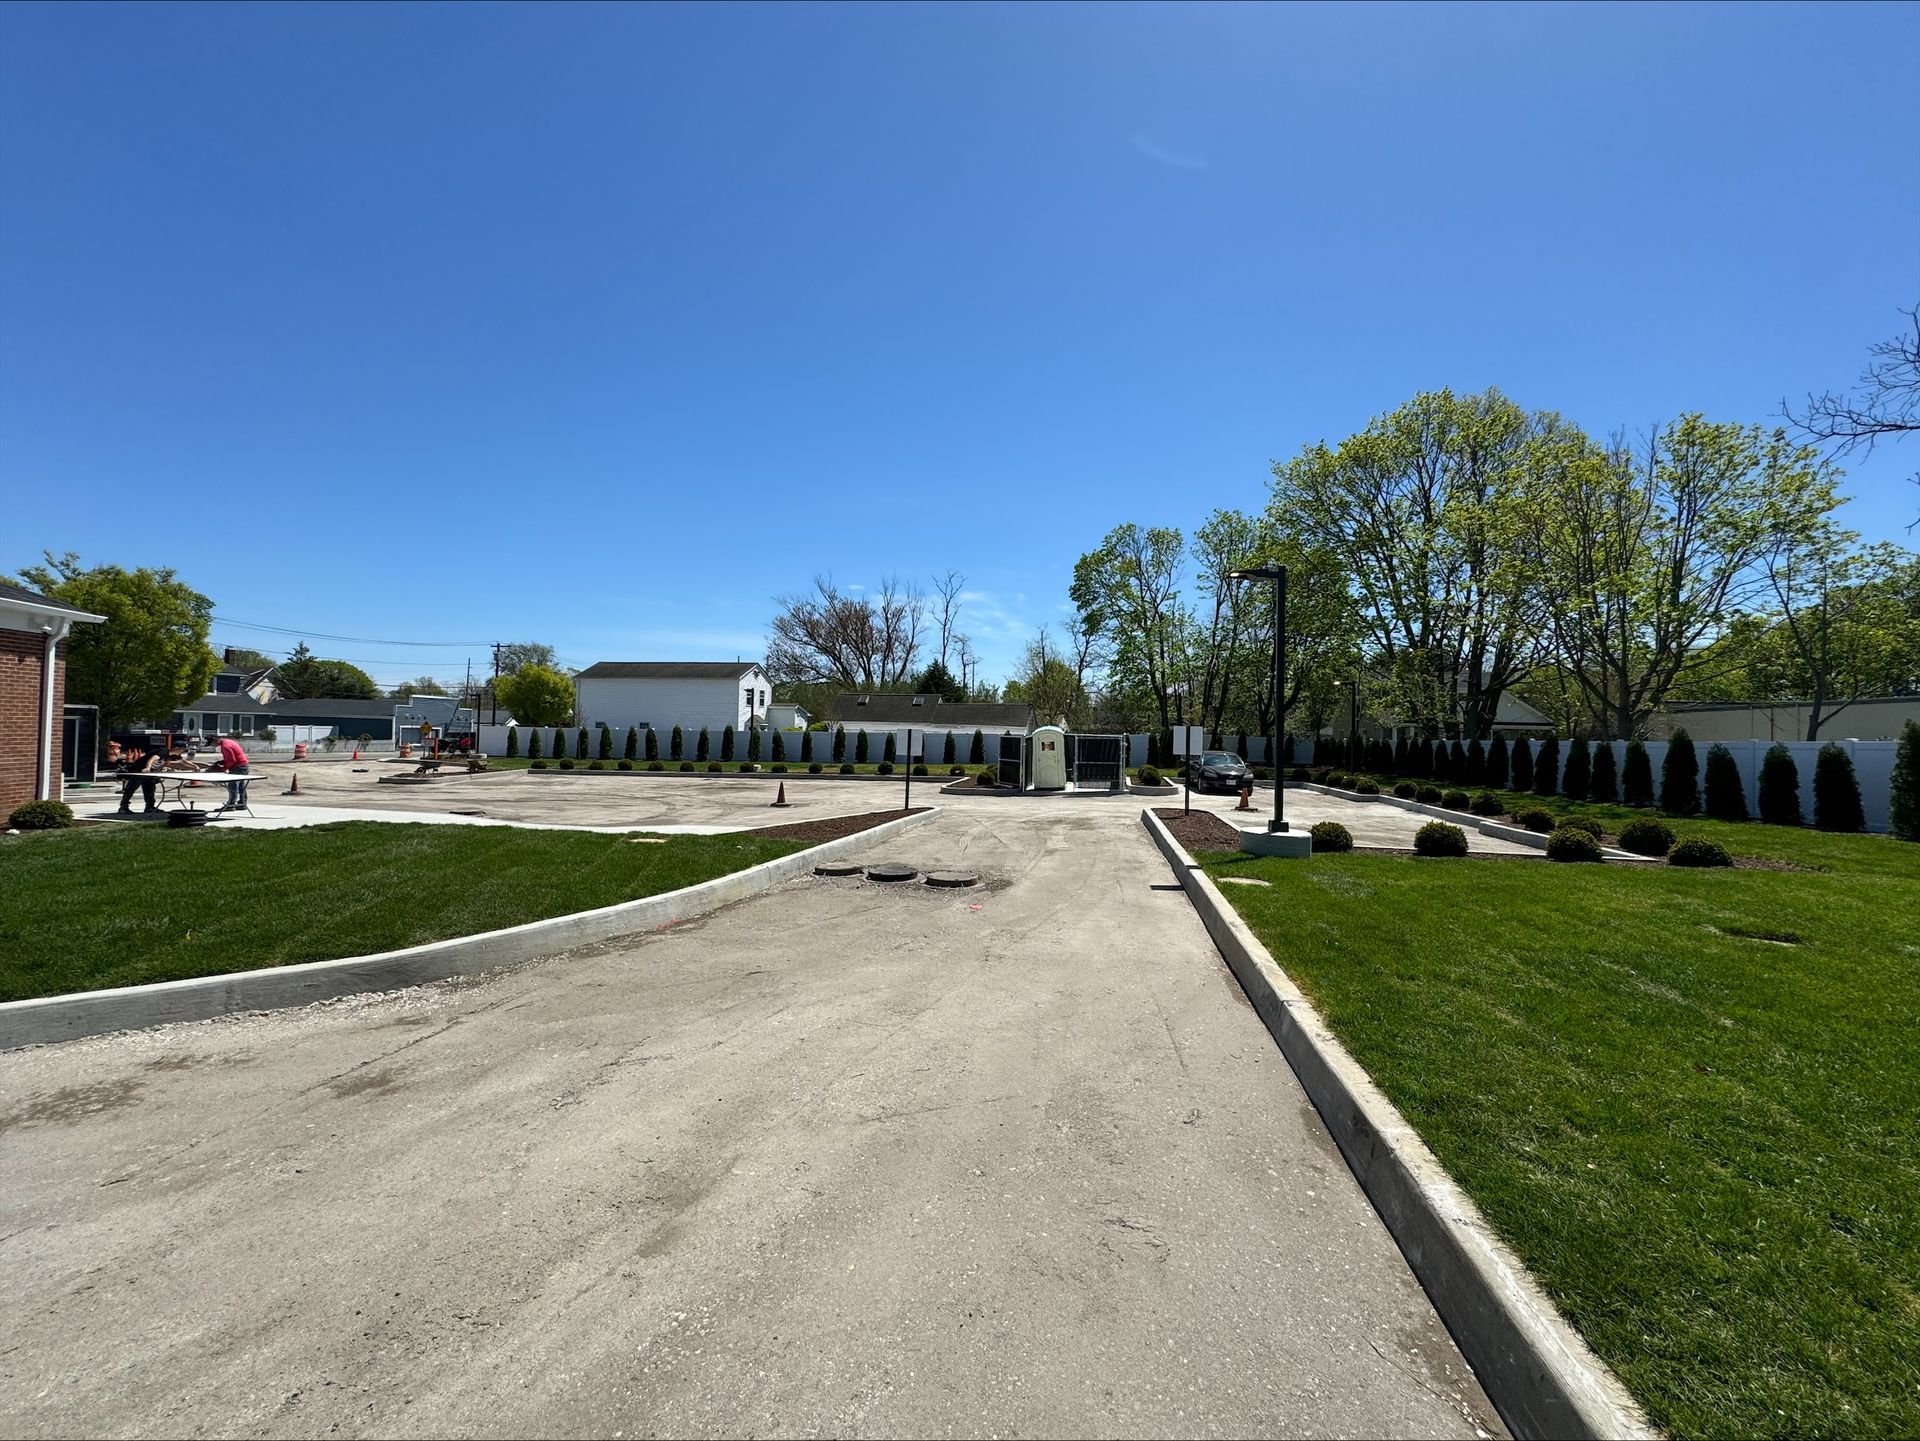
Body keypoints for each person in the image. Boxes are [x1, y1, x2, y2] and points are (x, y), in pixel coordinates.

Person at [115, 745, 165, 815]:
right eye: (183, 750)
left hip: (149, 773)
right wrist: (148, 767)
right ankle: (123, 807)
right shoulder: (165, 751)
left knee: (150, 788)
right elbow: (152, 759)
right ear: (177, 748)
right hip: (139, 769)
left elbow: (177, 763)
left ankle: (150, 807)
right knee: (131, 788)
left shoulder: (173, 756)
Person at [212, 735, 251, 811]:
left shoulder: (226, 746)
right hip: (243, 765)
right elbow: (232, 758)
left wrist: (223, 769)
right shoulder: (228, 742)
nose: (213, 745)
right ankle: (242, 803)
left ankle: (231, 805)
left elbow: (232, 761)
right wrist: (222, 762)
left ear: (215, 741)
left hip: (238, 767)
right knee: (241, 786)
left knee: (233, 786)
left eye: (212, 744)